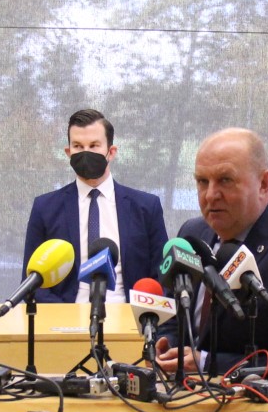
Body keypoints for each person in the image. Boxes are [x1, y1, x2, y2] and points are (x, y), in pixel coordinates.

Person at [155, 128, 268, 390]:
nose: (210, 195)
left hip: (255, 411)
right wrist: (169, 347)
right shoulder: (192, 234)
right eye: (202, 181)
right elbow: (175, 313)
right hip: (183, 399)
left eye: (225, 180)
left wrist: (206, 363)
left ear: (263, 184)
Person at [22, 108, 169, 303]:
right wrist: (65, 316)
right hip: (66, 316)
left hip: (128, 315)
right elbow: (31, 282)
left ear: (111, 152)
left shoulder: (146, 207)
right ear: (68, 152)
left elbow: (162, 276)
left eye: (94, 145)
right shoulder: (45, 208)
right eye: (78, 146)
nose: (86, 153)